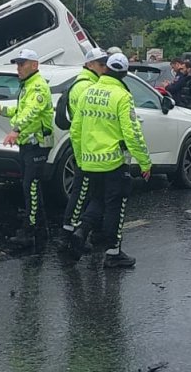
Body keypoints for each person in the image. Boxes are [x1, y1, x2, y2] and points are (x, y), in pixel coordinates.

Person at [67, 53, 151, 268]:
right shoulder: (122, 96)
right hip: (114, 161)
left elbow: (75, 130)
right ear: (124, 73)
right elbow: (132, 133)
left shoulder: (87, 92)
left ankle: (82, 230)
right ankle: (113, 253)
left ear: (106, 69)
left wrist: (80, 159)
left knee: (97, 199)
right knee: (116, 204)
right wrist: (144, 162)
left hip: (89, 161)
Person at [54, 48, 109, 248]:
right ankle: (68, 234)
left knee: (88, 192)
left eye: (106, 64)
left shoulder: (87, 83)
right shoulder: (86, 87)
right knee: (81, 193)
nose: (105, 68)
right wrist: (82, 155)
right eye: (101, 64)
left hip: (87, 148)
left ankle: (86, 231)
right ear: (89, 64)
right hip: (86, 150)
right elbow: (84, 125)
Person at [1, 48, 55, 248]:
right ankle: (41, 230)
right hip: (27, 145)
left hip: (37, 145)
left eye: (22, 64)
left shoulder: (38, 86)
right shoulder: (27, 85)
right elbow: (20, 110)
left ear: (34, 65)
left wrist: (15, 130)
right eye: (17, 64)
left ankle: (29, 231)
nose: (18, 68)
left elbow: (31, 112)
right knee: (31, 187)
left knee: (30, 187)